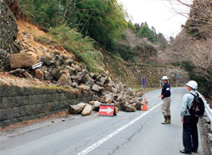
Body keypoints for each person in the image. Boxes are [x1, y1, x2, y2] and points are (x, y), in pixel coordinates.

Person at [180, 80, 200, 154]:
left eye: (187, 86)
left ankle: (187, 149)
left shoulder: (187, 96)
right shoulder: (198, 95)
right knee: (194, 131)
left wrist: (182, 116)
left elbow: (183, 108)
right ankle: (195, 148)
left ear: (190, 87)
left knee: (186, 132)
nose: (186, 87)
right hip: (195, 116)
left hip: (188, 116)